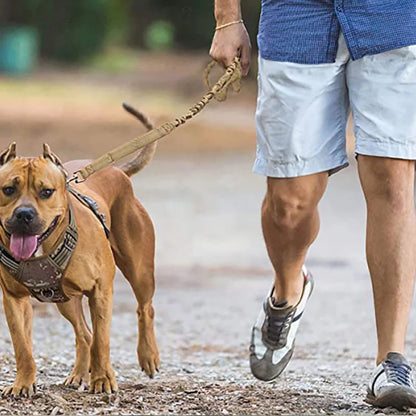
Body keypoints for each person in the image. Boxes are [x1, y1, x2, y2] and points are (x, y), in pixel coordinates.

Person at [210, 0, 416, 410]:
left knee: (394, 178)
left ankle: (392, 359)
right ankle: (288, 289)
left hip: (396, 15)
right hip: (297, 13)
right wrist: (227, 18)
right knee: (290, 203)